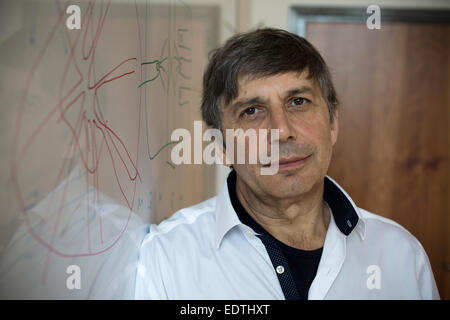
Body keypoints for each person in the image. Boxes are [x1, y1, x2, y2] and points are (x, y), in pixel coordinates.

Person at [135, 28, 439, 299]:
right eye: (252, 110)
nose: (281, 130)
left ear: (333, 122)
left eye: (298, 102)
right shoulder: (167, 258)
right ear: (221, 147)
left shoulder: (401, 255)